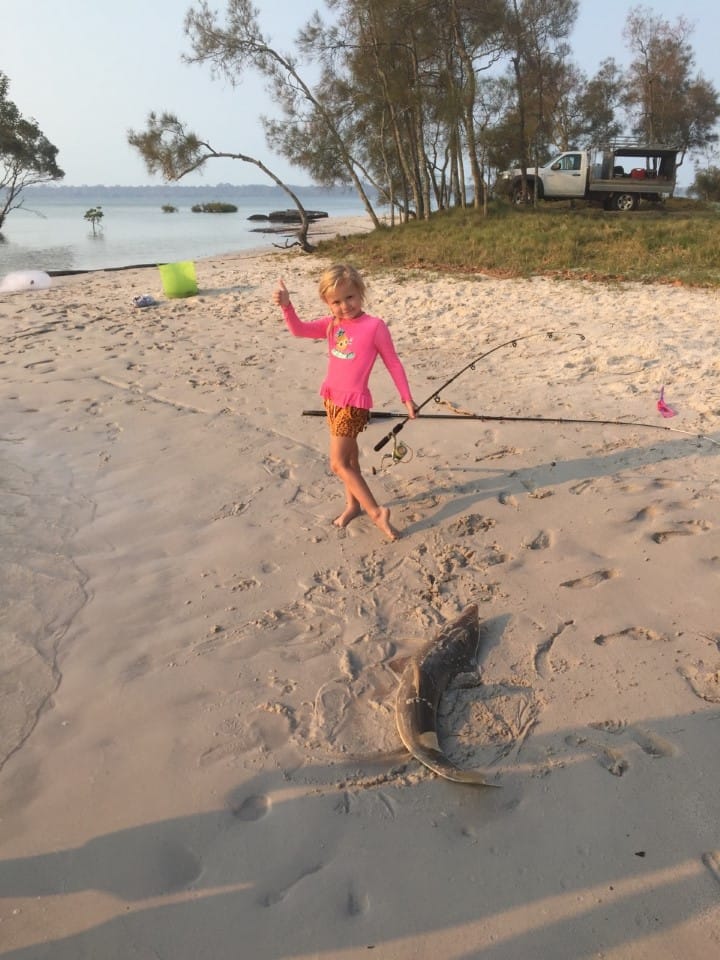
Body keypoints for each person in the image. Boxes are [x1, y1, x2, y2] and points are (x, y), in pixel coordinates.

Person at [273, 264, 417, 541]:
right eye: (335, 302)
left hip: (353, 405)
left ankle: (376, 512)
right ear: (327, 303)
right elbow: (298, 330)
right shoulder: (331, 325)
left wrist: (407, 398)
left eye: (349, 297)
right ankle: (353, 505)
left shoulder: (374, 326)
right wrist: (287, 306)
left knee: (337, 465)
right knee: (350, 459)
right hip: (331, 399)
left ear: (360, 293)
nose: (344, 306)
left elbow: (393, 364)